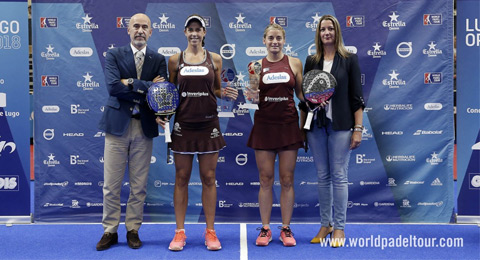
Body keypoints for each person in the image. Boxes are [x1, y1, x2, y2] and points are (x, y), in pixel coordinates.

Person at [156, 14, 238, 251]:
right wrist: (163, 114)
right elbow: (170, 93)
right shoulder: (174, 60)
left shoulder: (215, 59)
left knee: (209, 178)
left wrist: (225, 94)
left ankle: (210, 232)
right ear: (185, 32)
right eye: (190, 29)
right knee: (181, 178)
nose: (194, 33)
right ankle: (179, 232)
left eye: (198, 29)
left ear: (204, 33)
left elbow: (215, 89)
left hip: (209, 125)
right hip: (183, 126)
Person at [96, 13, 167, 251]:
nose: (140, 30)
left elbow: (161, 92)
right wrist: (145, 86)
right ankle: (110, 230)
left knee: (138, 185)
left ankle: (133, 229)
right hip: (117, 126)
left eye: (144, 27)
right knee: (111, 184)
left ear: (150, 31)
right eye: (136, 26)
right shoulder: (115, 54)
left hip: (143, 126)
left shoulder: (158, 59)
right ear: (128, 29)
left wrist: (130, 82)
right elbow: (113, 87)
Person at [300, 14, 364, 247]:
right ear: (318, 33)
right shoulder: (311, 61)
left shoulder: (349, 59)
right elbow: (305, 97)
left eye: (330, 29)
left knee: (339, 176)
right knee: (322, 177)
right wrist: (313, 104)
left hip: (341, 126)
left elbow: (357, 99)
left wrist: (358, 129)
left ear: (337, 32)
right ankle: (324, 225)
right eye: (322, 29)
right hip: (316, 127)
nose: (326, 33)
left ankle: (339, 228)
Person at [246, 23, 304, 247]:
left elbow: (300, 94)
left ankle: (286, 229)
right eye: (270, 38)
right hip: (264, 126)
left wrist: (314, 100)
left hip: (288, 125)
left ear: (284, 40)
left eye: (278, 38)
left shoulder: (294, 63)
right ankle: (266, 228)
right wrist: (250, 95)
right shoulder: (255, 66)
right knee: (265, 179)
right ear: (264, 40)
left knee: (287, 180)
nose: (274, 42)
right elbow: (253, 98)